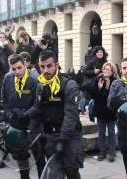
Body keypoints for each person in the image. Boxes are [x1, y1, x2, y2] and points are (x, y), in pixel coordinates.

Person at [27, 50, 84, 178]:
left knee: (71, 170)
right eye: (42, 66)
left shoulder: (69, 85)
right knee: (54, 173)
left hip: (70, 136)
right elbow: (38, 107)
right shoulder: (41, 85)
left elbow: (71, 116)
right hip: (51, 136)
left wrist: (63, 139)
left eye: (49, 66)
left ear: (56, 65)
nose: (45, 70)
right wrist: (26, 116)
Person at [0, 54, 46, 179]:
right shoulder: (7, 79)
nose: (17, 71)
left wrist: (27, 117)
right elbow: (4, 101)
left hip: (33, 126)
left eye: (19, 68)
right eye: (14, 69)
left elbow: (38, 104)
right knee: (21, 160)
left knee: (40, 158)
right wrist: (11, 116)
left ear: (25, 65)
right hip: (16, 127)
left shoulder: (36, 80)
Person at [91, 62, 119, 162]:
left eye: (108, 70)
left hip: (110, 111)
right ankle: (102, 151)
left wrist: (107, 88)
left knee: (111, 132)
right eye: (105, 69)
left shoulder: (115, 82)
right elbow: (93, 96)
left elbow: (114, 98)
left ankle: (111, 151)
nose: (106, 71)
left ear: (112, 72)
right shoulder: (98, 79)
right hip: (100, 110)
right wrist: (98, 88)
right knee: (101, 132)